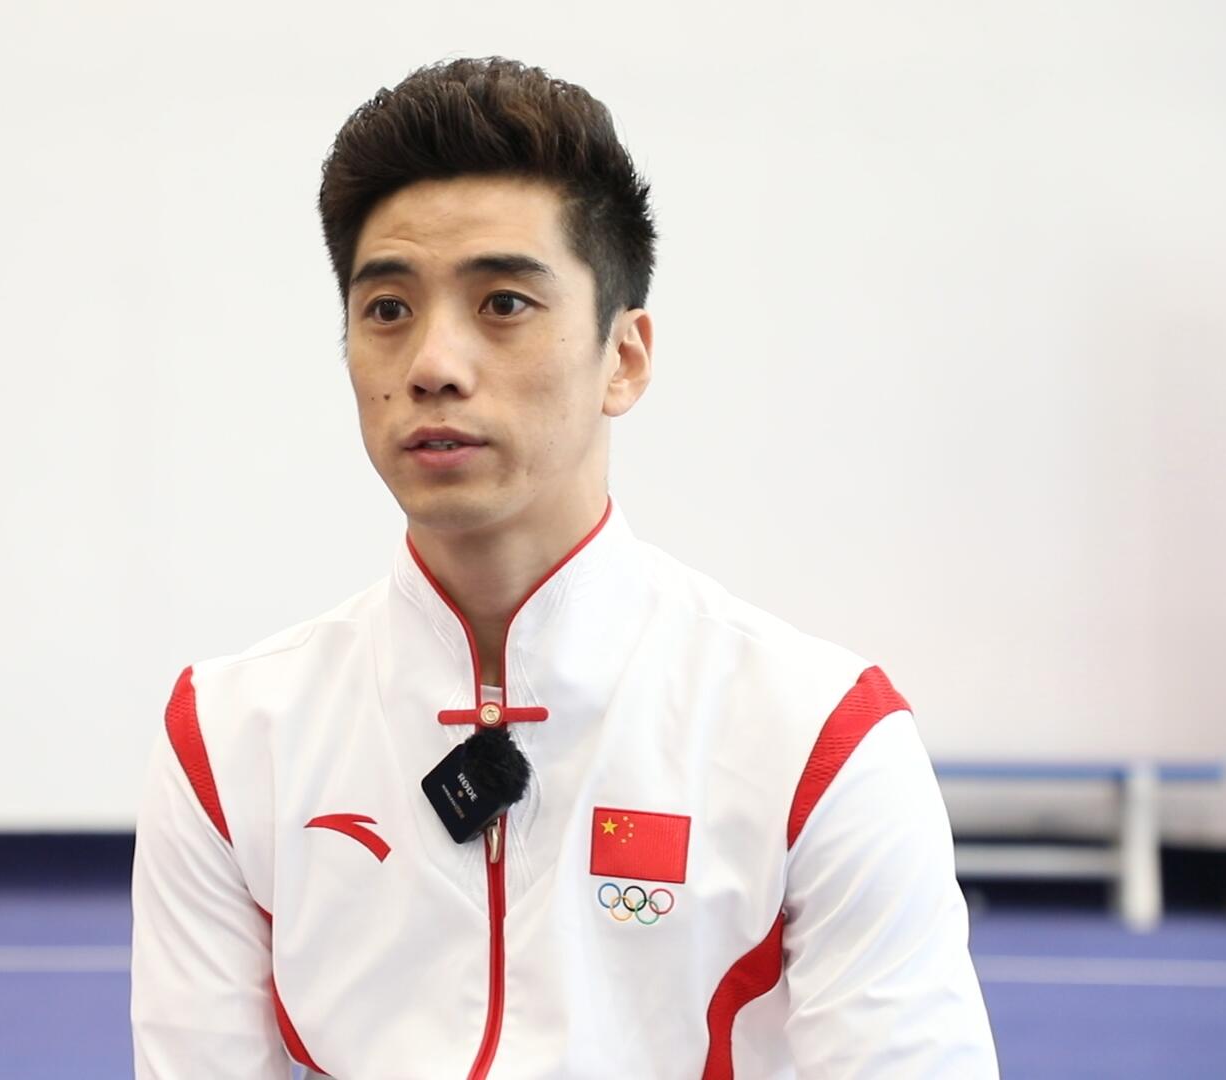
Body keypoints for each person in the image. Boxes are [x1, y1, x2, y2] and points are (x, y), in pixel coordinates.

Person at [131, 57, 998, 1079]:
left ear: (623, 358)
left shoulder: (820, 737)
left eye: (502, 303)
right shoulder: (231, 740)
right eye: (388, 309)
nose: (433, 365)